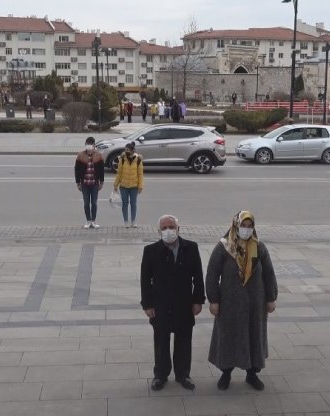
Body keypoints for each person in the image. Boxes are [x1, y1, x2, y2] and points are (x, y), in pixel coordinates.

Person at [206, 211, 277, 391]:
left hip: (255, 303)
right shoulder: (224, 247)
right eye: (243, 226)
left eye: (249, 226)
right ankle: (226, 373)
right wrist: (213, 300)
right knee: (228, 337)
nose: (246, 230)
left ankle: (252, 374)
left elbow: (268, 273)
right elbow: (212, 274)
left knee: (254, 337)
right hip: (229, 304)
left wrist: (271, 298)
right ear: (235, 225)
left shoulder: (259, 247)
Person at [140, 214, 205, 391]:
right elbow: (145, 281)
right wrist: (147, 305)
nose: (168, 231)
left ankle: (183, 374)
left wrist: (198, 300)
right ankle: (160, 375)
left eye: (171, 227)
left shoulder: (191, 248)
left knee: (184, 340)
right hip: (160, 305)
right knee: (161, 340)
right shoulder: (150, 251)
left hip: (184, 304)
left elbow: (198, 277)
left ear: (178, 229)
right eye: (164, 228)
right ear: (159, 231)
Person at [75, 137, 105, 229]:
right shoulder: (80, 155)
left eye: (91, 144)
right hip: (84, 184)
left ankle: (93, 221)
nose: (89, 146)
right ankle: (88, 220)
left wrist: (101, 182)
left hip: (94, 183)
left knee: (94, 203)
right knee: (86, 203)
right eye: (87, 144)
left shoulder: (98, 155)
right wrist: (78, 183)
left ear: (94, 145)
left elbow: (101, 170)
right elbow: (76, 169)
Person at [114, 142, 144, 227]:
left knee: (133, 204)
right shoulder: (122, 160)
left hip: (134, 186)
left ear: (132, 150)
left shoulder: (138, 160)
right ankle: (126, 221)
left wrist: (141, 186)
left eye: (128, 150)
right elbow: (119, 173)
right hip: (123, 186)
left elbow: (140, 174)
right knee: (125, 204)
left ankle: (133, 221)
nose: (126, 151)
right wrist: (115, 185)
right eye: (125, 149)